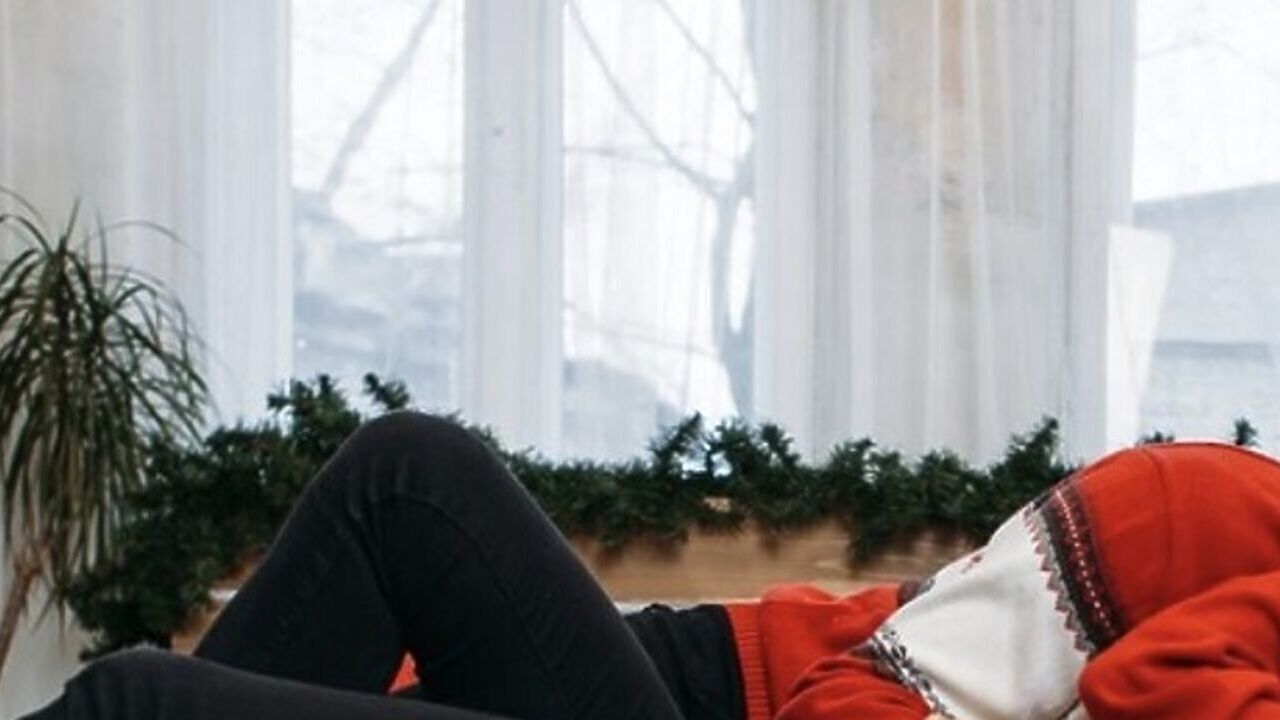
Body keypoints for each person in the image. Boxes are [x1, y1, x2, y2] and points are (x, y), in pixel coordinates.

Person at [19, 412, 1280, 720]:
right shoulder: (1200, 506)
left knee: (136, 700)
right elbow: (862, 690)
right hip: (702, 676)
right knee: (404, 480)